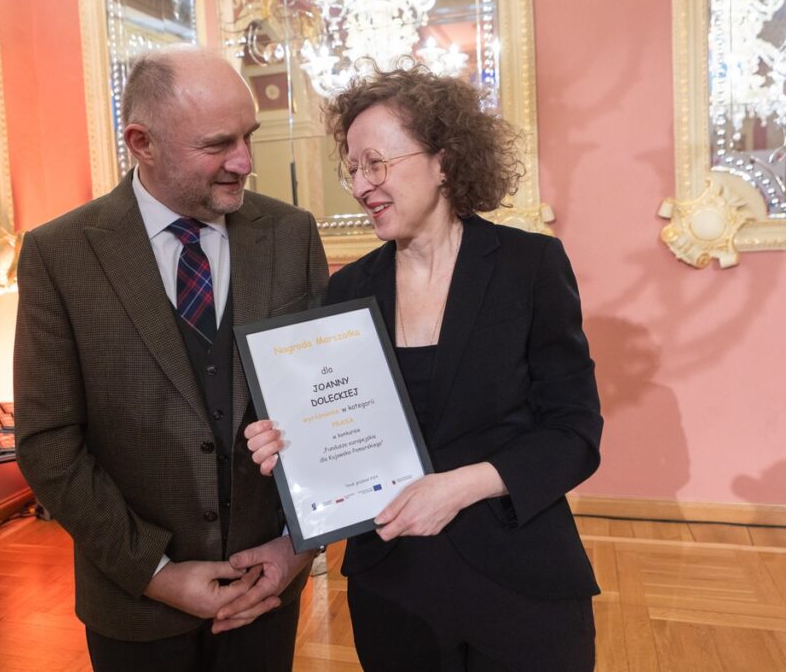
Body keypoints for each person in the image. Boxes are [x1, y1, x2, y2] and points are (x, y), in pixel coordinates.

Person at [244, 65, 603, 671]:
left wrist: (458, 487)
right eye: (353, 168)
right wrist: (289, 445)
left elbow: (575, 434)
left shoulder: (529, 266)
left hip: (521, 577)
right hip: (393, 586)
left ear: (443, 160)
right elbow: (336, 429)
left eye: (377, 162)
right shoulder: (348, 291)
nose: (361, 184)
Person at [13, 45, 328, 671]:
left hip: (268, 588)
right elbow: (49, 443)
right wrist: (154, 573)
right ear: (141, 142)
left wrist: (294, 548)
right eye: (218, 144)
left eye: (249, 137)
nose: (244, 162)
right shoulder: (59, 255)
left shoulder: (291, 234)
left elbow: (327, 402)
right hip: (135, 607)